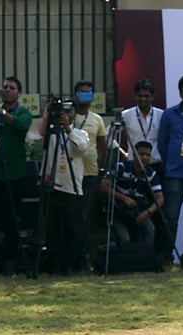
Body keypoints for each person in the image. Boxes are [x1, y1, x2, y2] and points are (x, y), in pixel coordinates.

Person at [28, 100, 91, 275]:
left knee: (73, 228)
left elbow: (82, 149)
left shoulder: (80, 133)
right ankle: (53, 264)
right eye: (61, 111)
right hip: (51, 186)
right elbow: (36, 139)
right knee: (52, 229)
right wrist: (47, 114)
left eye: (69, 111)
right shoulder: (50, 134)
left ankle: (71, 263)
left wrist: (68, 129)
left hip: (72, 187)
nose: (65, 115)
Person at [0, 76, 34, 277]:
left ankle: (10, 260)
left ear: (18, 92)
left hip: (14, 173)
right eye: (4, 87)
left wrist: (0, 112)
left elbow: (20, 125)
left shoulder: (24, 113)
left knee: (11, 219)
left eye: (12, 88)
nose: (7, 90)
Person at [156, 74, 183, 270]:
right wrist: (172, 160)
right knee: (171, 217)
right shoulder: (169, 114)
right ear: (180, 93)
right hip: (174, 173)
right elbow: (162, 143)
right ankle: (167, 257)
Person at [99, 141, 164, 248]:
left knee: (150, 230)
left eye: (147, 155)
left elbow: (160, 198)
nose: (144, 157)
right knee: (125, 239)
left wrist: (148, 212)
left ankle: (144, 260)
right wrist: (124, 198)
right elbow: (103, 186)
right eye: (141, 154)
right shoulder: (121, 167)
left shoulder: (151, 173)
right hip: (117, 211)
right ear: (134, 155)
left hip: (137, 211)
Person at [71, 81, 108, 243]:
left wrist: (103, 172)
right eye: (81, 92)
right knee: (72, 215)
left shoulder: (97, 119)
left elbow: (102, 147)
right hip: (70, 174)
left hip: (91, 174)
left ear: (93, 97)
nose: (85, 96)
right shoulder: (68, 117)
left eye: (88, 93)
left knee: (87, 215)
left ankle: (84, 254)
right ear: (75, 95)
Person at [119, 79, 163, 169]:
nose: (143, 99)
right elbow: (107, 135)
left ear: (152, 97)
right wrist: (122, 152)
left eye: (147, 96)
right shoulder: (126, 115)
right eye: (140, 96)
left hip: (155, 164)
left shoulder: (161, 115)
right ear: (135, 96)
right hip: (133, 164)